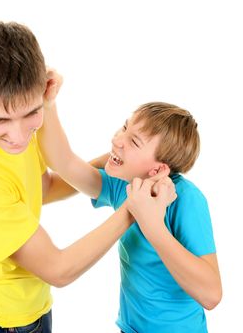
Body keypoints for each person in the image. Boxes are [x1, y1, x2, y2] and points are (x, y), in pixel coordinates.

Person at [0, 20, 175, 333]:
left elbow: (43, 187)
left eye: (31, 113)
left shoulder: (14, 123)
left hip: (32, 310)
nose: (19, 137)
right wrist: (134, 210)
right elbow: (58, 270)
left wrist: (118, 162)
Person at [38, 82, 222, 332]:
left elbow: (211, 294)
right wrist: (48, 104)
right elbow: (65, 163)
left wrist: (153, 225)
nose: (117, 139)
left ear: (157, 170)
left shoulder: (187, 200)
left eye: (134, 142)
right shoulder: (121, 183)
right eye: (124, 127)